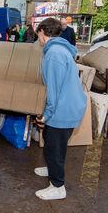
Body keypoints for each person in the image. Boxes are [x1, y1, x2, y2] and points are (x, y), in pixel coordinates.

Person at [33, 18, 86, 200]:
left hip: (63, 109)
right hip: (69, 104)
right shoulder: (60, 48)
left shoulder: (53, 54)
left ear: (42, 32)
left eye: (37, 34)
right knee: (52, 142)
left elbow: (53, 91)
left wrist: (45, 116)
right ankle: (51, 168)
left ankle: (57, 187)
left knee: (55, 147)